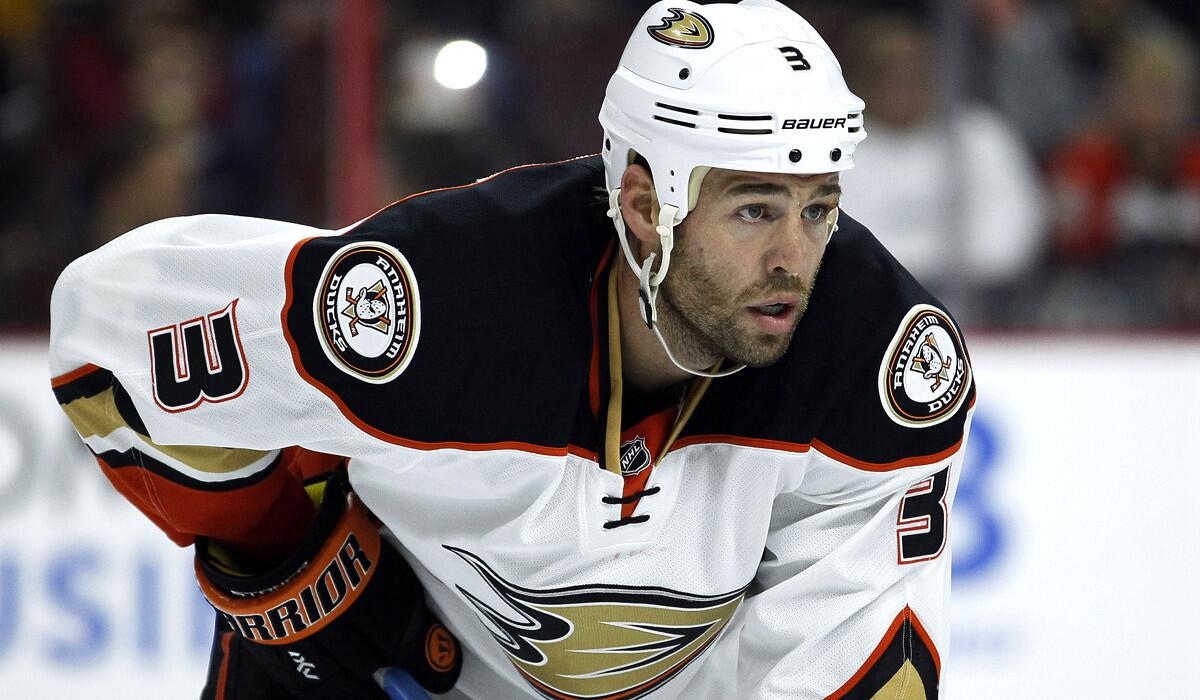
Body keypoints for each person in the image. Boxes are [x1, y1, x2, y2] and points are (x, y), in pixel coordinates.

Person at [48, 1, 975, 698]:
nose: (796, 258)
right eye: (755, 209)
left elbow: (846, 662)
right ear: (650, 207)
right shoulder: (440, 299)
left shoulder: (877, 359)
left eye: (818, 209)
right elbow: (109, 329)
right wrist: (280, 542)